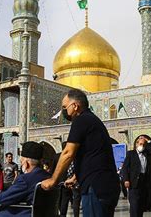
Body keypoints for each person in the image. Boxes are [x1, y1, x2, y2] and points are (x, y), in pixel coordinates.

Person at [41, 89, 120, 217]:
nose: (64, 111)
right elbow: (93, 154)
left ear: (75, 106)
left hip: (95, 186)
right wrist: (75, 177)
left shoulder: (81, 120)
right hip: (105, 185)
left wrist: (53, 180)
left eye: (65, 107)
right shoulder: (92, 120)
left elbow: (68, 153)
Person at [0, 141, 51, 216]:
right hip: (46, 214)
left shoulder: (25, 179)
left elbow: (1, 199)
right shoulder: (48, 176)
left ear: (26, 163)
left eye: (21, 162)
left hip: (28, 213)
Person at [122, 136, 148, 217]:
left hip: (143, 182)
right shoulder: (131, 154)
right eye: (140, 144)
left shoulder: (146, 154)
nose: (142, 146)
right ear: (136, 144)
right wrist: (126, 179)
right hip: (134, 182)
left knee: (141, 206)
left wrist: (148, 140)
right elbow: (125, 167)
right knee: (134, 205)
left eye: (143, 145)